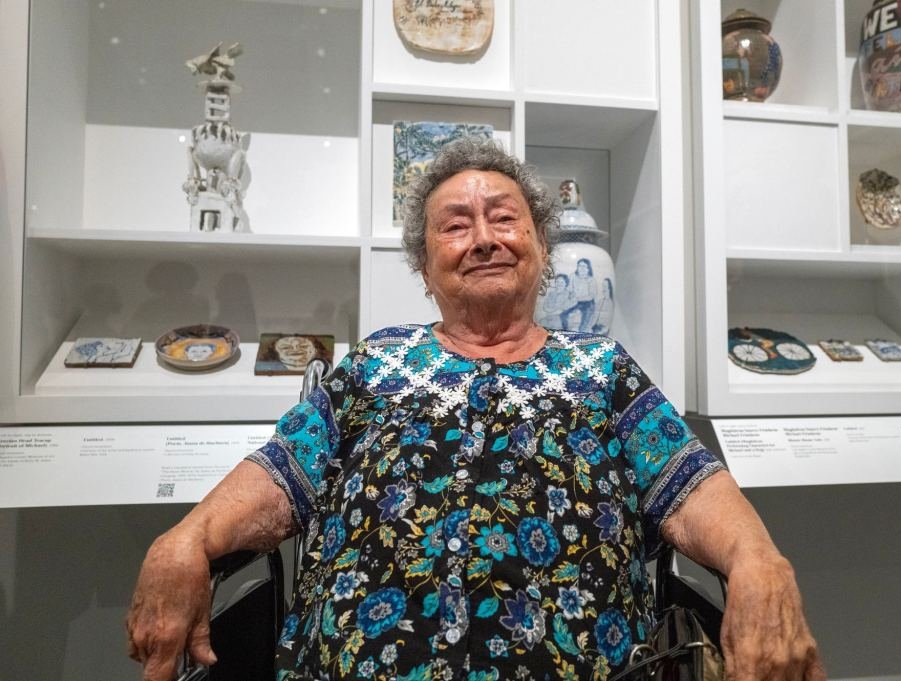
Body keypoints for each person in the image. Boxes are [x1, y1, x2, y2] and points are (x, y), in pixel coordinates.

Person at [127, 138, 825, 680]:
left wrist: (760, 560)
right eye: (456, 226)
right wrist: (185, 538)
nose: (485, 238)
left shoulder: (602, 369)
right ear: (423, 265)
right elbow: (283, 471)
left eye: (505, 219)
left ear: (541, 248)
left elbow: (689, 482)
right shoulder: (375, 364)